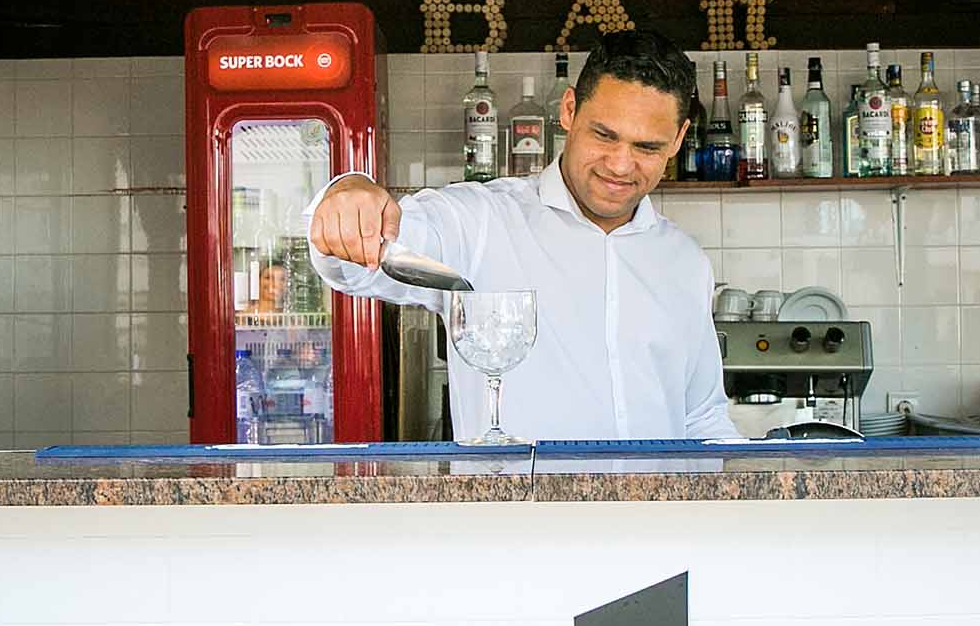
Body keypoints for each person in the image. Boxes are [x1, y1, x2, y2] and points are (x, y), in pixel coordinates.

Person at [307, 29, 733, 441]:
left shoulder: (685, 261)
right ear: (569, 110)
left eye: (647, 148)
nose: (620, 165)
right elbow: (356, 267)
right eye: (604, 135)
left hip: (658, 512)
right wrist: (348, 195)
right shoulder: (479, 221)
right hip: (517, 513)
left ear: (678, 140)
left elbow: (702, 417)